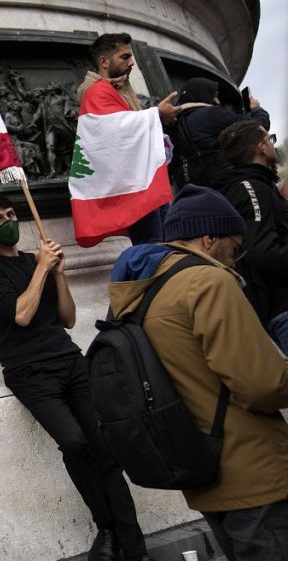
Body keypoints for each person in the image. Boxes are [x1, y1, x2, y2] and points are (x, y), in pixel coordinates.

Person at [108, 184, 288, 560]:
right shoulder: (208, 282)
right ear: (209, 238)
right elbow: (260, 384)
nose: (235, 262)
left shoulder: (140, 294)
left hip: (203, 472)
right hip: (254, 472)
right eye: (235, 249)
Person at [0, 193, 150, 561]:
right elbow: (20, 314)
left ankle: (135, 548)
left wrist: (59, 274)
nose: (7, 223)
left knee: (104, 447)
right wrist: (40, 269)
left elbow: (67, 318)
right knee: (74, 443)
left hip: (69, 361)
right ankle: (106, 526)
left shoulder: (38, 262)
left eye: (10, 215)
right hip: (30, 373)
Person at [77, 33, 179, 244]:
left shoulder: (118, 88)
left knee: (163, 241)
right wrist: (156, 114)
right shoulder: (96, 92)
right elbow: (116, 131)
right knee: (153, 243)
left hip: (141, 177)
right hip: (133, 184)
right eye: (124, 57)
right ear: (104, 62)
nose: (132, 62)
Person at [208, 121, 288, 354]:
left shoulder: (258, 185)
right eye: (269, 139)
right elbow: (261, 249)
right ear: (261, 148)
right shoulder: (250, 187)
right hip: (281, 306)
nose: (273, 144)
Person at [168, 77, 269, 189]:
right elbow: (258, 128)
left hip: (190, 192)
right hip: (225, 188)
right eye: (214, 96)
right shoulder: (211, 114)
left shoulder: (174, 123)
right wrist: (256, 109)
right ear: (203, 94)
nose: (217, 101)